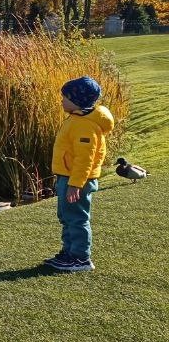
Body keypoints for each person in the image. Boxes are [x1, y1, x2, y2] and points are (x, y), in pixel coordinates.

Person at [46, 76, 114, 272]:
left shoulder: (85, 125)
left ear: (78, 100)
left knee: (76, 217)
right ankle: (69, 252)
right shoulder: (77, 118)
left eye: (65, 97)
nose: (61, 100)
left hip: (77, 180)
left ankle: (80, 258)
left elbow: (85, 159)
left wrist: (75, 184)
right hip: (68, 177)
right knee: (67, 216)